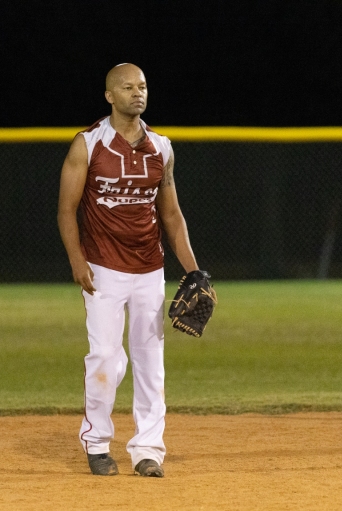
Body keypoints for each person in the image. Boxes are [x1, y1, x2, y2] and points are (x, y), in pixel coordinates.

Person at [57, 63, 200, 477]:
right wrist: (76, 259)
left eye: (142, 86)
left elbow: (171, 215)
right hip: (102, 268)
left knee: (150, 361)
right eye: (127, 87)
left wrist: (193, 272)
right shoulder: (88, 144)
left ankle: (148, 450)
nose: (137, 93)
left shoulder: (161, 147)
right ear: (109, 96)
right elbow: (66, 209)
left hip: (148, 270)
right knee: (105, 358)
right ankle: (97, 443)